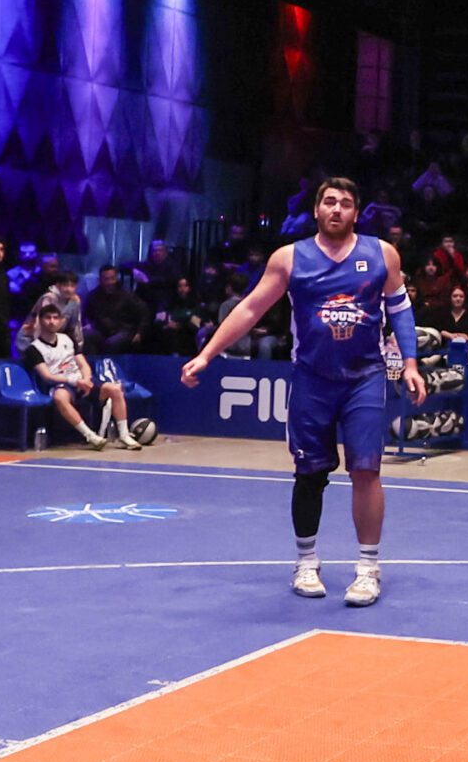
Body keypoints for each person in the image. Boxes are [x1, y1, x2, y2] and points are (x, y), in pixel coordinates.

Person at [182, 177, 428, 608]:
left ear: (357, 212)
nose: (337, 209)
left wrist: (410, 362)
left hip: (365, 378)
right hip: (312, 379)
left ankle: (368, 569)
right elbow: (250, 308)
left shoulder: (381, 254)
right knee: (310, 474)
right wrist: (208, 355)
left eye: (346, 204)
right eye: (329, 202)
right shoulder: (289, 258)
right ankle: (306, 561)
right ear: (316, 210)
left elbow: (400, 310)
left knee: (367, 471)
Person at [21, 301, 140, 451]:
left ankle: (124, 435)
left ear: (60, 320)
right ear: (41, 320)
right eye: (48, 318)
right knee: (60, 398)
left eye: (55, 318)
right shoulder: (34, 349)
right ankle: (91, 436)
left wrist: (86, 379)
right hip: (61, 384)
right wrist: (75, 381)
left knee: (115, 389)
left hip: (80, 381)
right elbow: (47, 376)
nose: (52, 321)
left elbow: (82, 363)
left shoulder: (67, 339)